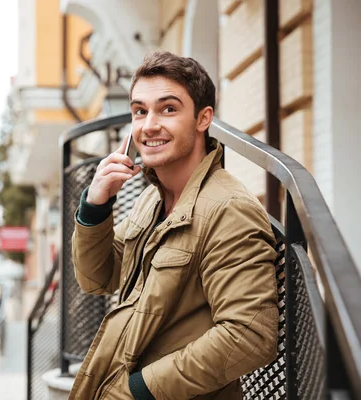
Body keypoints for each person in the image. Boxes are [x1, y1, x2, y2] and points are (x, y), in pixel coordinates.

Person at [69, 51, 279, 400]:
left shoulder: (229, 209)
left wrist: (140, 389)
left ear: (203, 118)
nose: (149, 125)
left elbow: (249, 336)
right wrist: (95, 207)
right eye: (140, 111)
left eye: (168, 109)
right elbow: (97, 279)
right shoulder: (152, 200)